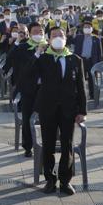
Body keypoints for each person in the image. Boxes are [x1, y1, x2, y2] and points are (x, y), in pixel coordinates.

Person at [29, 26, 87, 195]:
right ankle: (50, 179)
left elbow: (81, 88)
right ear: (48, 39)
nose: (58, 38)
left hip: (69, 109)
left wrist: (82, 111)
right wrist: (37, 53)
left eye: (60, 35)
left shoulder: (75, 59)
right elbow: (28, 74)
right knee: (47, 144)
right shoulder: (43, 58)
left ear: (66, 38)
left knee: (67, 144)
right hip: (48, 108)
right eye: (54, 36)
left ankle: (65, 181)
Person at [13, 22, 47, 157]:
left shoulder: (49, 48)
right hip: (29, 90)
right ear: (30, 34)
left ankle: (46, 144)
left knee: (46, 118)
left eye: (41, 32)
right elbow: (24, 69)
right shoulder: (23, 48)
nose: (38, 34)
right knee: (28, 119)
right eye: (35, 32)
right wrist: (37, 53)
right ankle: (28, 146)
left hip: (45, 90)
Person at [73, 20, 103, 100]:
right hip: (81, 60)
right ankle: (80, 95)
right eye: (85, 27)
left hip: (92, 61)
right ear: (82, 29)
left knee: (92, 79)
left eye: (89, 27)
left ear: (92, 28)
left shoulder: (96, 39)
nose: (87, 28)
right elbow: (69, 41)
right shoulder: (78, 37)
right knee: (80, 79)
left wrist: (99, 64)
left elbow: (100, 53)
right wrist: (70, 34)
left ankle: (93, 95)